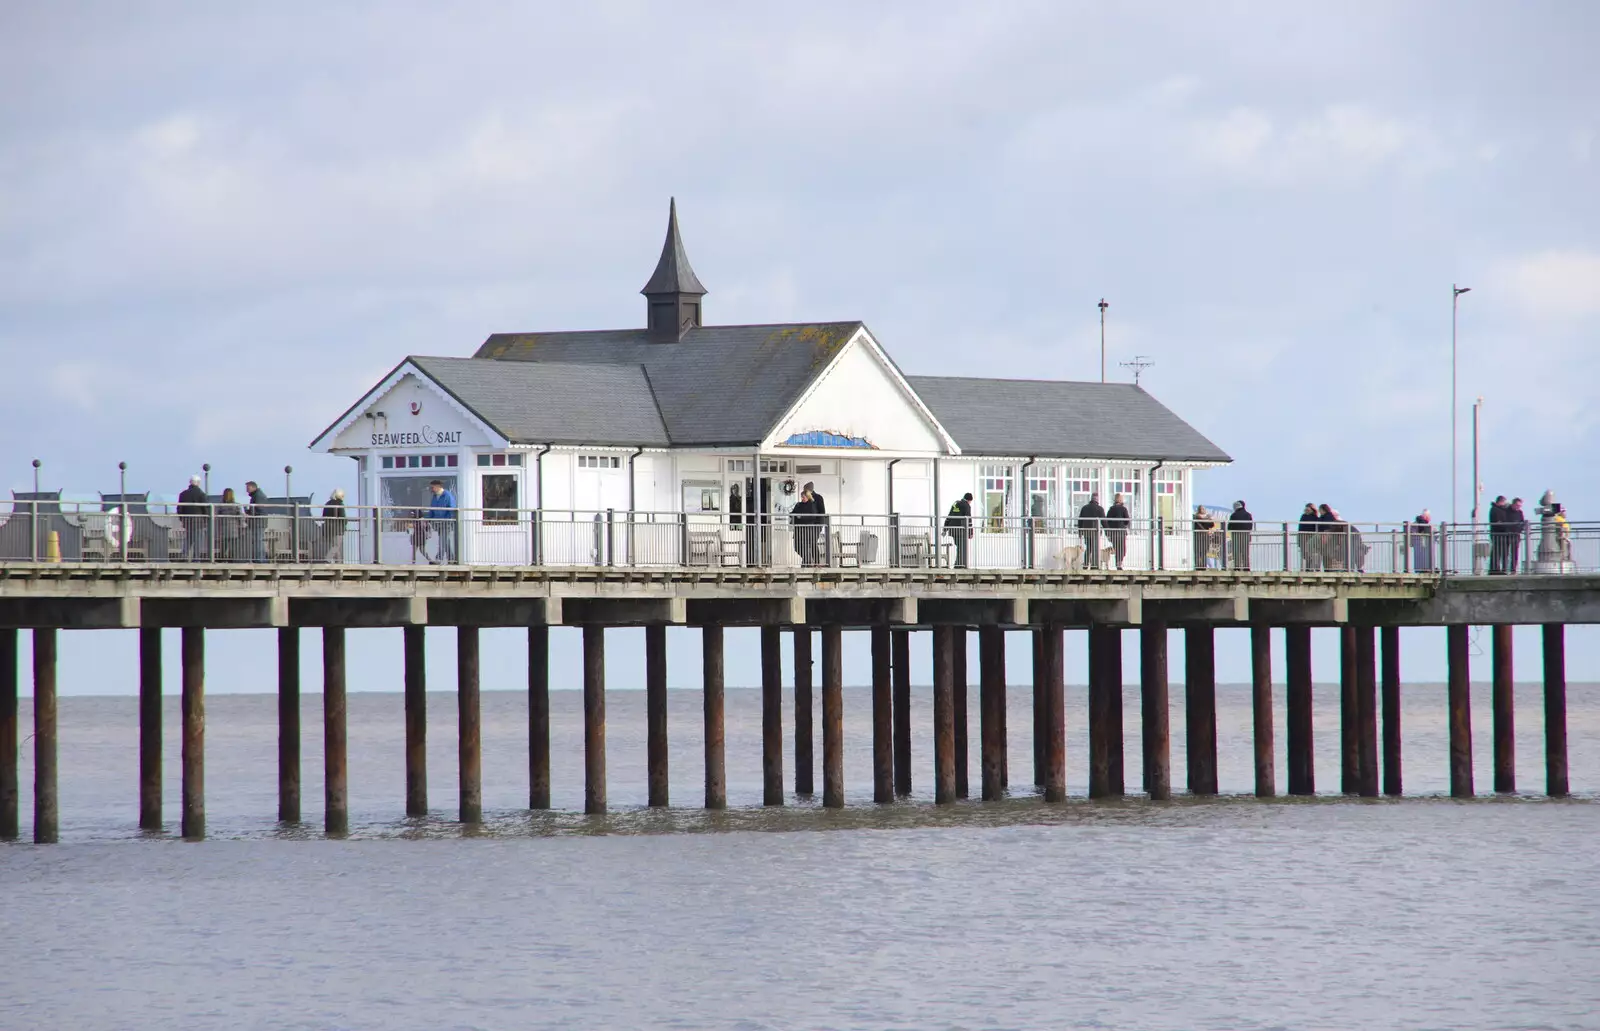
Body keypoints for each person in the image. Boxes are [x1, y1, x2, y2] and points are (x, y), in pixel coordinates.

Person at [177, 474, 209, 561]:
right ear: (198, 483)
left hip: (187, 520)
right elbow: (205, 508)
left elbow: (179, 509)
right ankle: (196, 558)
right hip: (199, 521)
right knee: (198, 540)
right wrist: (206, 519)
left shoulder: (183, 494)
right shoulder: (201, 494)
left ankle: (184, 555)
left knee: (188, 538)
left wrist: (182, 518)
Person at [790, 486, 823, 566]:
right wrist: (794, 516)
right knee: (797, 547)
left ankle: (808, 562)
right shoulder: (799, 505)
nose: (802, 498)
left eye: (804, 497)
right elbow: (793, 513)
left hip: (808, 531)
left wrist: (801, 517)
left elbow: (812, 517)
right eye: (801, 497)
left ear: (808, 497)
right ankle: (807, 560)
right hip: (798, 530)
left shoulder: (812, 505)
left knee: (809, 546)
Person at [428, 479, 457, 563]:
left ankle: (438, 558)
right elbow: (432, 509)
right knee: (445, 540)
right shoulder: (435, 496)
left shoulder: (447, 495)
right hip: (438, 522)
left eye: (432, 487)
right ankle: (451, 559)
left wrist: (449, 519)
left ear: (437, 487)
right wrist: (430, 519)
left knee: (442, 540)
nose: (431, 489)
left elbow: (452, 508)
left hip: (446, 522)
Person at [944, 493, 973, 568]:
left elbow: (949, 516)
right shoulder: (966, 505)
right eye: (970, 501)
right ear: (969, 500)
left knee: (959, 547)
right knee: (962, 548)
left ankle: (959, 564)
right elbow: (968, 519)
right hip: (961, 530)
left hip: (953, 530)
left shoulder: (955, 503)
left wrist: (945, 528)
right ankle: (959, 565)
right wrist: (970, 532)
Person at [244, 480, 271, 562]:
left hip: (258, 522)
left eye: (248, 487)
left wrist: (249, 513)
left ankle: (259, 559)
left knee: (258, 541)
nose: (246, 490)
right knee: (258, 540)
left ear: (253, 487)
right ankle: (260, 558)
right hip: (258, 522)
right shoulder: (256, 495)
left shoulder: (258, 496)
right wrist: (248, 511)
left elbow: (259, 509)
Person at [1078, 493, 1105, 570]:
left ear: (1091, 498)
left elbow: (1080, 521)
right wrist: (1108, 532)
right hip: (1095, 532)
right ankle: (1094, 565)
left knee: (1088, 548)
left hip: (1087, 531)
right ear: (1097, 499)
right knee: (1095, 548)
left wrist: (1080, 532)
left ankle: (1085, 565)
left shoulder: (1085, 508)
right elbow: (1104, 522)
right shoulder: (1099, 509)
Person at [1104, 493, 1131, 570]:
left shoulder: (1111, 509)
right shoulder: (1123, 509)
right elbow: (1127, 521)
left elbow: (1107, 521)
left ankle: (1118, 563)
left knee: (1116, 548)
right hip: (1121, 532)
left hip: (1113, 532)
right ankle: (1119, 563)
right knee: (1122, 549)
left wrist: (1108, 533)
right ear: (1121, 500)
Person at [216, 488, 244, 561]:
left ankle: (222, 559)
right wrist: (241, 524)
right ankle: (233, 559)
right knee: (233, 546)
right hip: (234, 528)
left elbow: (217, 516)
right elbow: (240, 516)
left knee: (223, 546)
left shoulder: (220, 505)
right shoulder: (236, 505)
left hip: (223, 528)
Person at [320, 488, 347, 563]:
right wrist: (345, 523)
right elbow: (342, 517)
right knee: (336, 545)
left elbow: (324, 516)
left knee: (335, 546)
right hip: (337, 529)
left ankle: (339, 563)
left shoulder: (327, 503)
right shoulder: (340, 504)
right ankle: (327, 559)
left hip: (327, 528)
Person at [1227, 500, 1254, 570]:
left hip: (1236, 535)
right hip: (1246, 535)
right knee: (1245, 551)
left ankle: (1237, 566)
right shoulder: (1248, 515)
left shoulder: (1233, 515)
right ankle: (1246, 567)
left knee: (1236, 551)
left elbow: (1229, 527)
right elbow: (1250, 526)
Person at [1318, 504, 1345, 570]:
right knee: (1325, 553)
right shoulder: (1323, 516)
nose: (1319, 511)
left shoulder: (1328, 516)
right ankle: (1327, 568)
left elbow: (1327, 526)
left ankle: (1330, 568)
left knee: (1329, 553)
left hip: (1329, 538)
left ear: (1324, 509)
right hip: (1324, 537)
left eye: (1320, 510)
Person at [1488, 495, 1510, 574]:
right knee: (1496, 552)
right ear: (1500, 502)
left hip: (1502, 534)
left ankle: (1500, 568)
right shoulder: (1494, 510)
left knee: (1501, 552)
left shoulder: (1501, 510)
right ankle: (1494, 569)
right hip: (1497, 533)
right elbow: (1497, 522)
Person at [1407, 508, 1434, 573]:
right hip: (1422, 543)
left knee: (1418, 558)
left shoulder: (1415, 523)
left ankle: (1420, 569)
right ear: (1426, 516)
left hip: (1417, 543)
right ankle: (1425, 569)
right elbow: (1426, 531)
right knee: (1424, 557)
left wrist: (1411, 542)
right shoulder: (1423, 524)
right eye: (1428, 516)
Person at [1298, 503, 1323, 571]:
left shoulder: (1315, 518)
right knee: (1305, 555)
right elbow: (1300, 528)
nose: (1306, 510)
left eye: (1308, 509)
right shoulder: (1303, 516)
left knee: (1311, 554)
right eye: (1306, 509)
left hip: (1311, 538)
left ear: (1312, 509)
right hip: (1303, 537)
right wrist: (1299, 540)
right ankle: (1306, 569)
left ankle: (1311, 568)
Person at [1505, 497, 1527, 574]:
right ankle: (1504, 569)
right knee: (1505, 553)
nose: (1518, 507)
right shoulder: (1506, 511)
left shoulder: (1520, 512)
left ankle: (1513, 569)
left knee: (1515, 553)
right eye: (1517, 505)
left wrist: (1519, 530)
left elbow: (1522, 522)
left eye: (1520, 506)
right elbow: (1504, 522)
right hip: (1507, 535)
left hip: (1516, 535)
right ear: (1513, 504)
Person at [1193, 505, 1215, 570]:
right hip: (1199, 535)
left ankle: (1202, 565)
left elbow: (1212, 525)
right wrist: (1208, 520)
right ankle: (1198, 565)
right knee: (1198, 551)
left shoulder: (1197, 517)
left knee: (1204, 551)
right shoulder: (1196, 517)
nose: (1202, 510)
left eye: (1203, 509)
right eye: (1201, 509)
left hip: (1204, 535)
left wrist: (1209, 520)